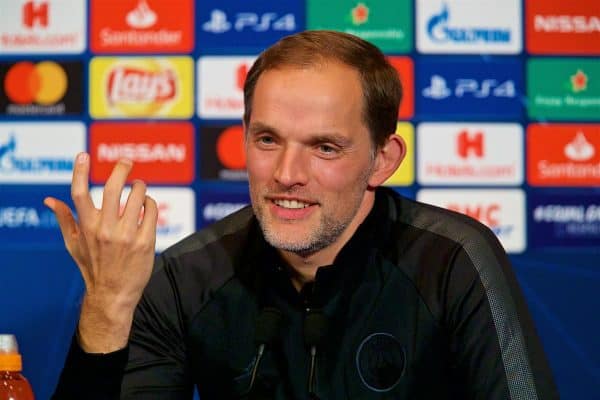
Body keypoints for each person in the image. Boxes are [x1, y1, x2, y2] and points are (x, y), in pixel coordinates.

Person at [47, 30, 558, 399]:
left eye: (325, 147)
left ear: (383, 160)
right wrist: (108, 308)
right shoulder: (185, 277)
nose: (287, 173)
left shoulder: (453, 261)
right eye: (267, 139)